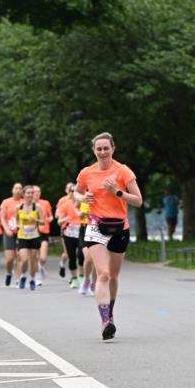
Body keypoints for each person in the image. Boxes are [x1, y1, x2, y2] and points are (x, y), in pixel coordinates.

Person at [74, 132, 142, 340]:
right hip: (95, 226)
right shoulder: (87, 172)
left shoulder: (123, 171)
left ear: (113, 148)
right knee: (102, 274)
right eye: (98, 149)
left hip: (119, 227)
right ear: (94, 151)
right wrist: (83, 197)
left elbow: (138, 201)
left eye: (106, 148)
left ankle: (110, 312)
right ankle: (105, 321)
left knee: (113, 276)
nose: (102, 152)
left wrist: (117, 192)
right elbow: (76, 193)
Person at [15, 185, 44, 289]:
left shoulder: (37, 207)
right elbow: (17, 220)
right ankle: (23, 276)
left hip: (34, 236)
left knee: (33, 260)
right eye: (28, 193)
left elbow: (43, 222)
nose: (30, 195)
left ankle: (32, 279)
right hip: (23, 236)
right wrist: (18, 225)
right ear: (23, 194)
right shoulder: (19, 207)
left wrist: (35, 221)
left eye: (32, 193)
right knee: (24, 259)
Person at [56, 184, 82, 288]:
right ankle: (74, 278)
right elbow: (59, 221)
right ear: (70, 193)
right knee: (71, 256)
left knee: (81, 255)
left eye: (76, 191)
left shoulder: (84, 203)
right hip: (69, 233)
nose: (74, 193)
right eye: (72, 191)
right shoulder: (65, 204)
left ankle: (81, 276)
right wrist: (65, 219)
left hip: (82, 232)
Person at [0, 182, 23, 286]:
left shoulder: (24, 202)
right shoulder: (6, 202)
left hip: (21, 232)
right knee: (9, 259)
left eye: (20, 188)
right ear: (12, 190)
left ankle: (18, 279)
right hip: (9, 232)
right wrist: (6, 229)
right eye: (16, 188)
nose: (18, 190)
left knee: (19, 256)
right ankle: (9, 272)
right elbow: (2, 218)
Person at [33, 185, 53, 285]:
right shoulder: (28, 204)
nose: (37, 193)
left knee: (43, 257)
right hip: (33, 233)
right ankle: (37, 277)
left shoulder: (45, 203)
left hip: (44, 232)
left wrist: (49, 219)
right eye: (35, 191)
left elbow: (51, 216)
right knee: (35, 256)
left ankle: (41, 267)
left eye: (39, 191)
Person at [55, 182, 73, 278]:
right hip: (66, 228)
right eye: (69, 189)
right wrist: (62, 215)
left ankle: (75, 276)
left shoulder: (80, 199)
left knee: (77, 253)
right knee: (68, 253)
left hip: (78, 229)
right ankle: (62, 264)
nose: (71, 191)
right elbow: (57, 214)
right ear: (66, 190)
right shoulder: (63, 200)